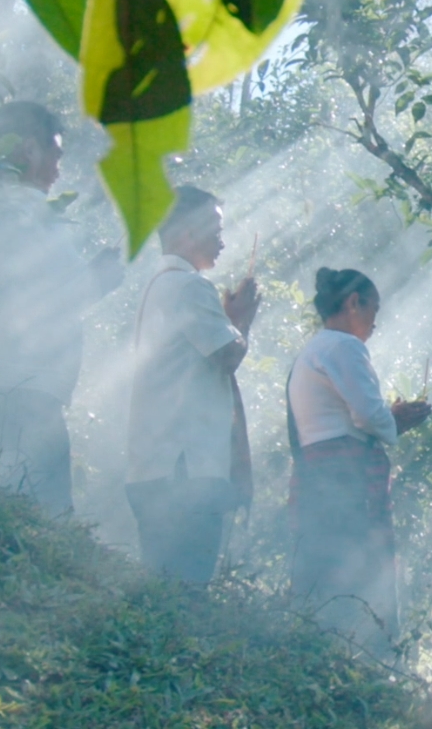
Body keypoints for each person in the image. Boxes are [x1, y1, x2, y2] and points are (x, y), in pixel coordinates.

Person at [0, 101, 123, 515]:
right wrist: (101, 277)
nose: (59, 167)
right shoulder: (30, 211)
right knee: (45, 527)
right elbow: (55, 299)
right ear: (28, 150)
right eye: (55, 153)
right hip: (23, 398)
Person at [287, 268, 431, 650]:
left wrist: (388, 419)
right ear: (354, 303)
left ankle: (317, 653)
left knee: (323, 577)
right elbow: (367, 415)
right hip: (345, 480)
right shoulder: (344, 346)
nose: (375, 322)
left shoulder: (313, 350)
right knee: (360, 577)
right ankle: (368, 656)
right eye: (374, 309)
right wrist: (393, 420)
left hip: (318, 479)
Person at [125, 186, 260, 583]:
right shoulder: (189, 286)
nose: (222, 242)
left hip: (157, 465)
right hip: (183, 469)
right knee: (186, 590)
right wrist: (241, 321)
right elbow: (228, 355)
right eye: (215, 231)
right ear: (187, 232)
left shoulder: (160, 284)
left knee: (164, 589)